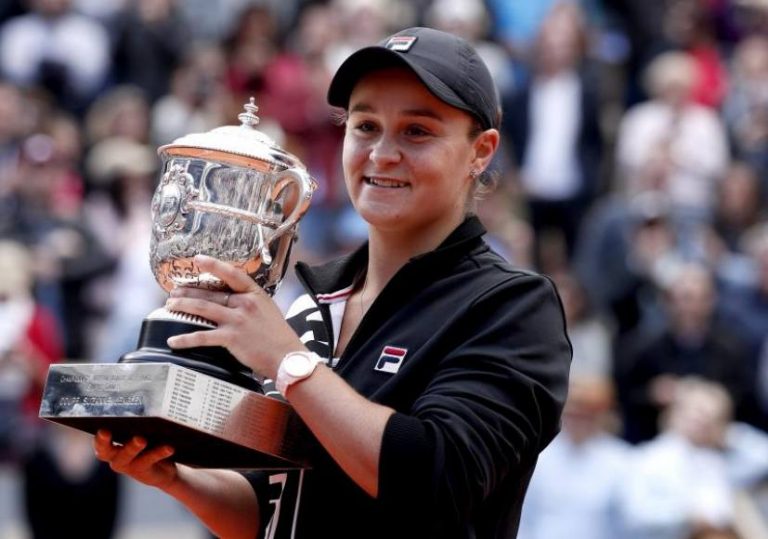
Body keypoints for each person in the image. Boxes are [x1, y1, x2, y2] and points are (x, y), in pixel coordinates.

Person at [93, 26, 572, 539]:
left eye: (417, 131)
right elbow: (275, 508)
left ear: (481, 151)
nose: (382, 153)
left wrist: (287, 363)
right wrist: (179, 479)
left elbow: (438, 481)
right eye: (365, 126)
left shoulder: (512, 306)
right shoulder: (314, 304)